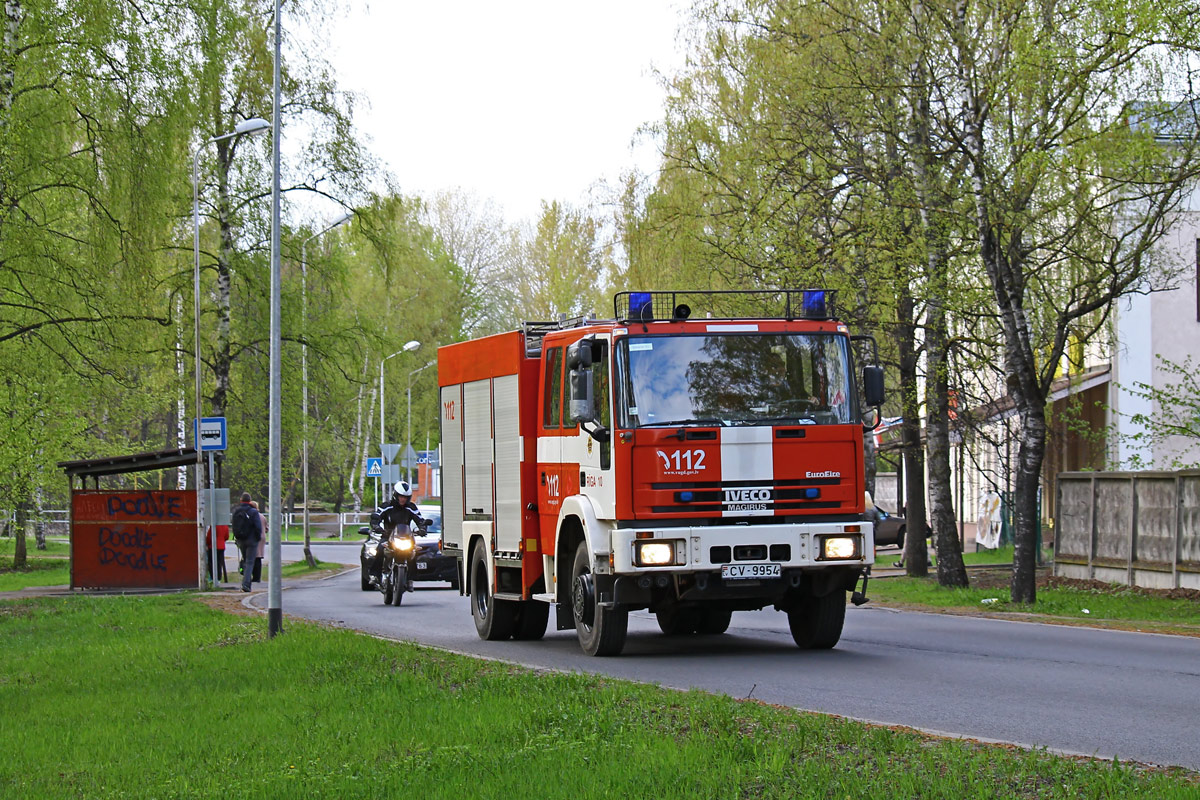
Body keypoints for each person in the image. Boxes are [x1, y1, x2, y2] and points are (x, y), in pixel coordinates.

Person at [368, 481, 427, 590]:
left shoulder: (411, 507)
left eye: (405, 497)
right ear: (396, 495)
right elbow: (376, 516)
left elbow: (420, 519)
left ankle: (410, 579)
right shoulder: (386, 506)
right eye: (401, 496)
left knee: (413, 552)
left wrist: (422, 528)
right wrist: (376, 526)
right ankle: (375, 575)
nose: (403, 499)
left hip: (406, 537)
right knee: (380, 548)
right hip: (388, 536)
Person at [231, 492, 264, 593]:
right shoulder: (253, 512)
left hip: (240, 539)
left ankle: (246, 583)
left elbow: (233, 525)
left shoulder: (236, 511)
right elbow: (258, 527)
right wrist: (257, 538)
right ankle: (246, 585)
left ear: (241, 500)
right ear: (249, 501)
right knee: (250, 562)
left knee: (245, 561)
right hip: (251, 540)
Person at [249, 500, 266, 583]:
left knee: (253, 557)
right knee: (258, 556)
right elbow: (266, 528)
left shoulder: (251, 515)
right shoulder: (262, 516)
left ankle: (255, 576)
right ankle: (257, 576)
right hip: (262, 537)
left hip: (255, 537)